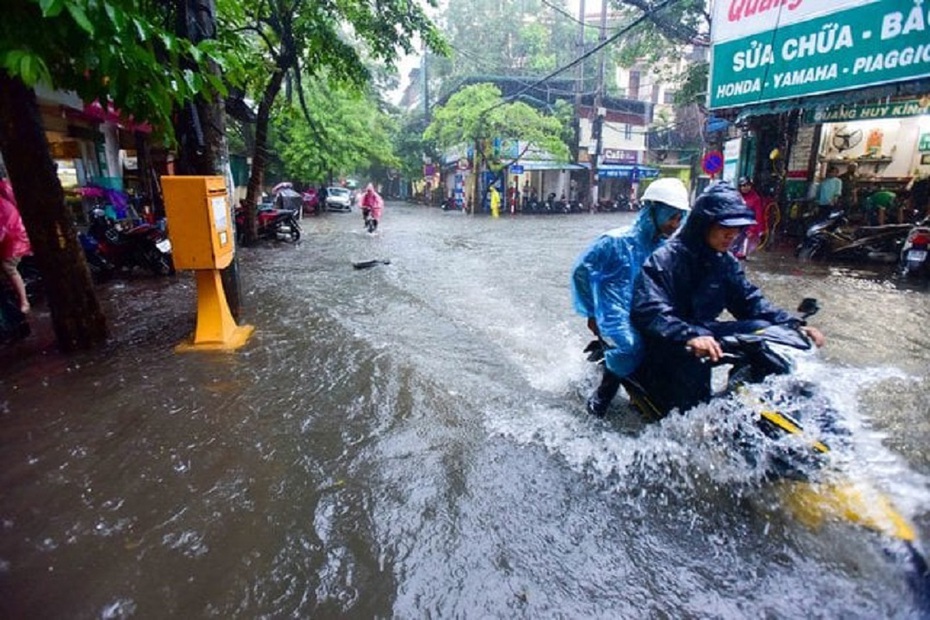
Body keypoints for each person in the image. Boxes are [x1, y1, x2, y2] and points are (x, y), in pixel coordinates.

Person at [630, 181, 825, 417]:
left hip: (705, 333)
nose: (732, 234)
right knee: (691, 407)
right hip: (670, 339)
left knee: (761, 330)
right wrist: (689, 336)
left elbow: (750, 302)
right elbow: (650, 310)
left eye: (738, 228)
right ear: (704, 225)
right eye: (725, 227)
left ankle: (756, 405)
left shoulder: (725, 262)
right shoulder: (665, 260)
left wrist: (793, 325)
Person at [571, 178, 692, 417]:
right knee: (629, 346)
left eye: (680, 218)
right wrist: (592, 312)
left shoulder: (668, 248)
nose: (675, 224)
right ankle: (603, 395)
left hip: (645, 309)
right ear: (654, 210)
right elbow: (582, 273)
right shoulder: (614, 242)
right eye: (671, 216)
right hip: (613, 311)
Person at [0, 177, 32, 316]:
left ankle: (24, 301)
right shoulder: (6, 191)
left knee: (9, 268)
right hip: (16, 235)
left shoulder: (3, 205)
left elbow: (4, 227)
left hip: (13, 238)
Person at [734, 176, 765, 259]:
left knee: (742, 253)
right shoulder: (736, 197)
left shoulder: (755, 198)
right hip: (736, 227)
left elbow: (758, 215)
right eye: (743, 186)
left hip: (748, 228)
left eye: (748, 185)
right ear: (740, 187)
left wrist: (753, 229)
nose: (746, 188)